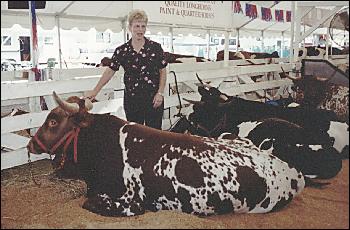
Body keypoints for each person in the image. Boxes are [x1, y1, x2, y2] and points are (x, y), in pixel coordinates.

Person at [85, 9, 167, 129]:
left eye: (143, 26)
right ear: (130, 27)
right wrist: (95, 91)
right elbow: (109, 71)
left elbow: (163, 71)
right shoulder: (122, 51)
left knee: (155, 135)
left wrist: (160, 93)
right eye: (137, 26)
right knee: (134, 133)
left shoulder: (156, 48)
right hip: (132, 101)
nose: (140, 30)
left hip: (154, 99)